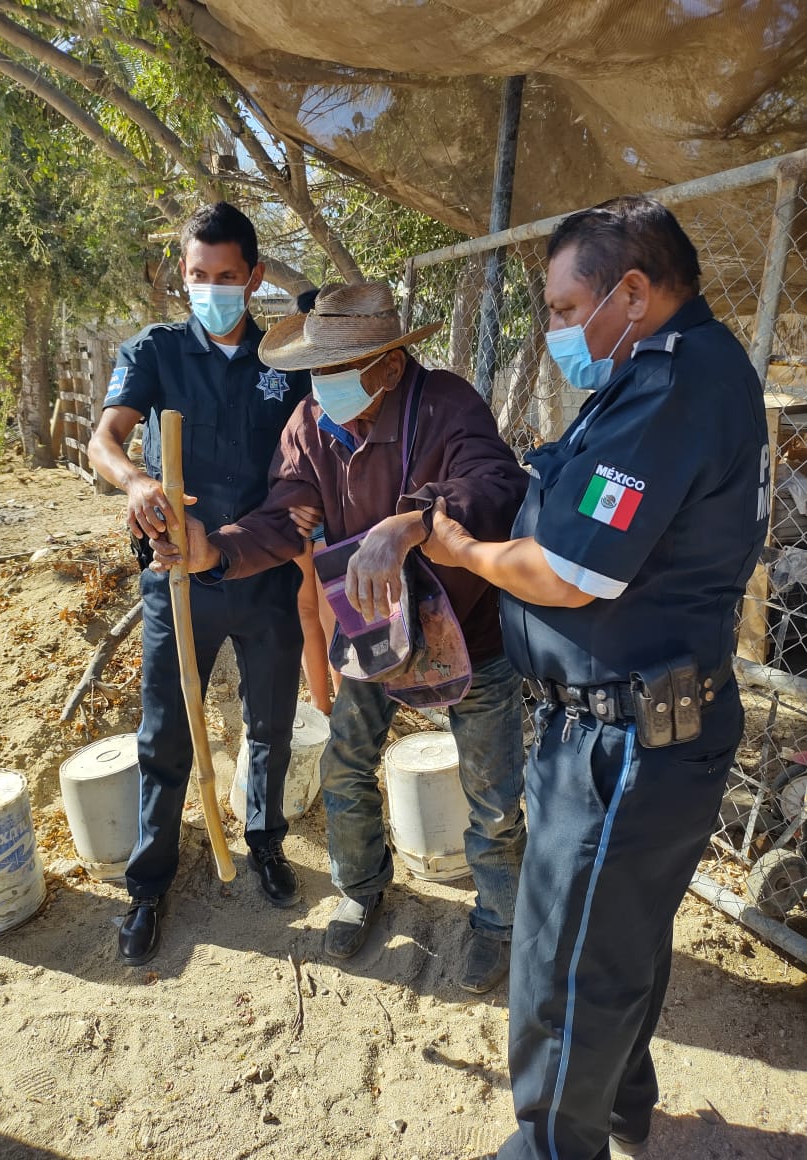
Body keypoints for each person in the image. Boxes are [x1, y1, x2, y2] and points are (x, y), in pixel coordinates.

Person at [422, 197, 769, 1158]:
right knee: (615, 941)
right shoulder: (663, 376)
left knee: (563, 962)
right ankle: (619, 1103)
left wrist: (468, 551)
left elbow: (570, 574)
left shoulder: (675, 387)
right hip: (623, 724)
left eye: (567, 310)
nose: (557, 330)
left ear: (633, 291)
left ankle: (548, 1147)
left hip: (626, 740)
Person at [151, 281, 530, 993]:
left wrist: (411, 523)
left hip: (469, 631)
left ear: (388, 365)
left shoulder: (448, 406)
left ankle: (500, 919)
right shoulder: (309, 423)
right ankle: (360, 885)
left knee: (492, 794)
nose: (322, 385)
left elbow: (498, 487)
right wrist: (213, 551)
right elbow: (287, 517)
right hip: (365, 629)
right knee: (346, 769)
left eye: (338, 368)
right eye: (316, 369)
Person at [87, 202, 311, 966]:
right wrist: (135, 481)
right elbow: (105, 439)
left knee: (271, 722)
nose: (211, 288)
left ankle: (265, 842)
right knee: (165, 731)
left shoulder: (288, 357)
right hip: (176, 579)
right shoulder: (156, 351)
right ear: (182, 278)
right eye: (196, 276)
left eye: (225, 277)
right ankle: (150, 883)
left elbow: (305, 472)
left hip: (264, 574)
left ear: (252, 278)